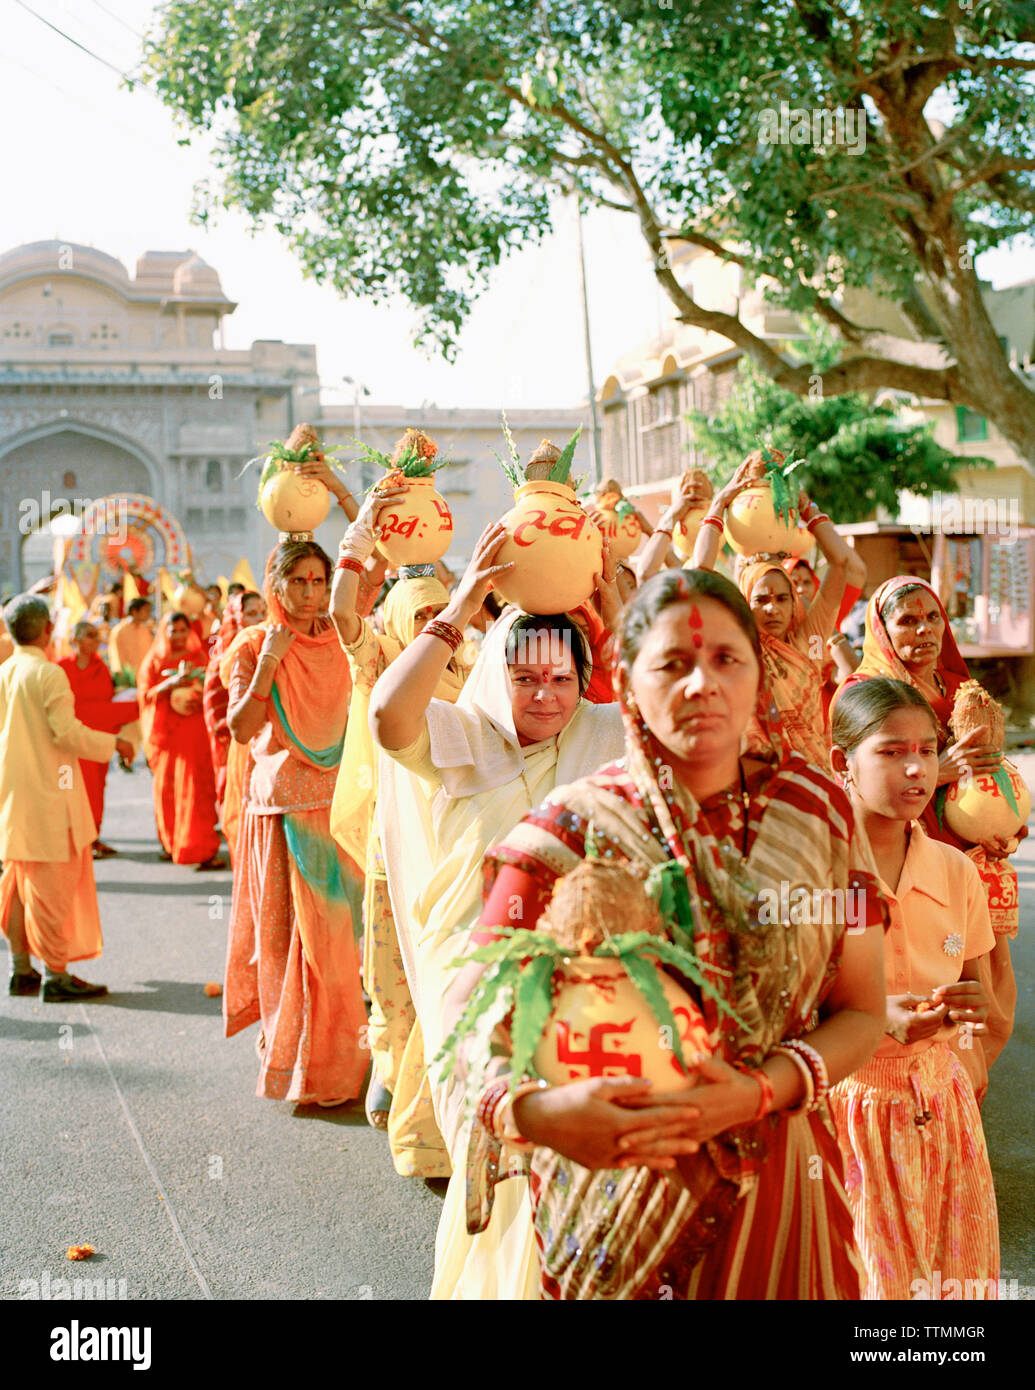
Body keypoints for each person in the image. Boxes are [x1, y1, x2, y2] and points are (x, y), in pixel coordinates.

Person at [446, 568, 889, 1299]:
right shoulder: (571, 829)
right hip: (611, 1194)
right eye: (672, 664)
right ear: (623, 676)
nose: (700, 685)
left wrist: (753, 1092)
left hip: (778, 1183)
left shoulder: (818, 817)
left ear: (758, 671)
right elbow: (469, 1011)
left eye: (724, 659)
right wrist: (533, 1111)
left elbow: (862, 1010)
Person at [368, 520, 626, 1296]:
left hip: (586, 980)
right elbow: (386, 716)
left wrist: (612, 600)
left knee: (574, 1167)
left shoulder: (609, 737)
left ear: (585, 679)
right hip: (470, 984)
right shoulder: (456, 735)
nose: (544, 697)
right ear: (491, 673)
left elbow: (678, 697)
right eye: (523, 678)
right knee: (497, 1149)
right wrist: (463, 605)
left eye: (560, 679)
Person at [828, 678, 998, 1299]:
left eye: (928, 750)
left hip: (942, 1104)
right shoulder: (810, 871)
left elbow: (975, 994)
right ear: (839, 761)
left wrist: (969, 1018)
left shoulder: (955, 870)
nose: (916, 768)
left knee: (950, 1284)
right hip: (845, 1108)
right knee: (869, 1286)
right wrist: (872, 1021)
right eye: (891, 751)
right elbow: (767, 1020)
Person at [833, 576, 1019, 1102]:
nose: (924, 630)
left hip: (957, 859)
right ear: (882, 630)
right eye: (907, 620)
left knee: (971, 992)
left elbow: (994, 773)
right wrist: (941, 771)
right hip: (853, 1089)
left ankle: (957, 1090)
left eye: (932, 617)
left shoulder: (959, 689)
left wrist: (1003, 825)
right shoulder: (860, 696)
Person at [330, 486, 470, 1161]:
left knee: (441, 976)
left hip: (451, 844)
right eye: (421, 615)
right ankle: (389, 1065)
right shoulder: (379, 660)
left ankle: (427, 1130)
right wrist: (358, 533)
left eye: (443, 613)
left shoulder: (471, 669)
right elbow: (339, 611)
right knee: (390, 977)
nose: (434, 624)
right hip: (395, 843)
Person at [223, 539, 368, 1107]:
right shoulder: (254, 643)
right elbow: (240, 728)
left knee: (348, 943)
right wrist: (269, 661)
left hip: (345, 809)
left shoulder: (345, 639)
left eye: (318, 581)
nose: (310, 594)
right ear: (275, 586)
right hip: (286, 816)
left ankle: (348, 1062)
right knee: (304, 949)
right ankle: (318, 1072)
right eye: (298, 582)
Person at [0, 595, 134, 1000]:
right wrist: (116, 744)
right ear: (46, 630)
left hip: (13, 797)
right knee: (50, 890)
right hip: (49, 797)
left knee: (18, 885)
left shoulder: (5, 670)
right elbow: (67, 734)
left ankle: (21, 970)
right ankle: (56, 976)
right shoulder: (47, 673)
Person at [688, 465, 866, 766]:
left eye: (782, 598)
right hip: (756, 775)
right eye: (761, 599)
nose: (773, 608)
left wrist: (807, 508)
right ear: (745, 603)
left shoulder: (810, 637)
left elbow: (840, 563)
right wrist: (719, 505)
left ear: (794, 601)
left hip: (813, 775)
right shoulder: (738, 644)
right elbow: (697, 576)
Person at [137, 613, 224, 869]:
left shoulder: (198, 657)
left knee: (197, 791)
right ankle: (173, 842)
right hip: (167, 737)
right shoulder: (153, 661)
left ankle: (202, 848)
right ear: (164, 632)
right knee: (168, 790)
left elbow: (211, 688)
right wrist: (171, 683)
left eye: (182, 630)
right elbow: (144, 697)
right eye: (173, 630)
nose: (178, 636)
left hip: (195, 732)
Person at [58, 620, 140, 859]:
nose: (96, 640)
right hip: (69, 745)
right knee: (67, 790)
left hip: (95, 742)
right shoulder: (61, 668)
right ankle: (71, 838)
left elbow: (104, 706)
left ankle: (93, 836)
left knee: (96, 790)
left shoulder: (101, 668)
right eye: (90, 635)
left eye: (96, 635)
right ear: (75, 640)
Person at [202, 589, 264, 821]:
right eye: (251, 613)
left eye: (263, 612)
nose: (260, 619)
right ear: (237, 618)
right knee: (239, 814)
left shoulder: (271, 649)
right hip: (234, 746)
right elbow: (215, 714)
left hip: (268, 750)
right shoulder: (222, 659)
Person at [108, 597, 155, 682]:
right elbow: (116, 657)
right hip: (127, 679)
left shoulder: (145, 630)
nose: (149, 614)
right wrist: (124, 677)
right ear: (134, 611)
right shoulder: (119, 631)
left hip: (145, 675)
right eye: (146, 611)